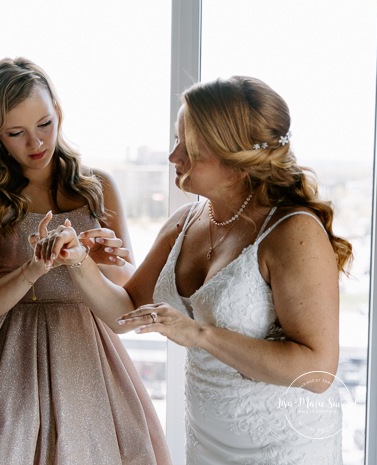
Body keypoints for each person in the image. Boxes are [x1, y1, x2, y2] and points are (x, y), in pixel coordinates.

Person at [38, 76, 353, 464]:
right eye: (176, 140)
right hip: (206, 441)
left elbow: (318, 372)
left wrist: (199, 333)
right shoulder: (184, 222)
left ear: (238, 163)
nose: (173, 157)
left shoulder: (293, 232)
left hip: (283, 447)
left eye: (190, 149)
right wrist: (78, 262)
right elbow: (125, 314)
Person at [0, 57, 171, 465]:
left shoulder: (98, 189)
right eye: (16, 133)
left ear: (58, 112)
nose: (36, 143)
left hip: (91, 363)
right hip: (10, 366)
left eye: (44, 124)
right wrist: (34, 268)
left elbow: (125, 299)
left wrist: (97, 261)